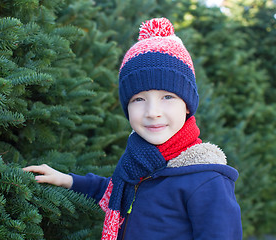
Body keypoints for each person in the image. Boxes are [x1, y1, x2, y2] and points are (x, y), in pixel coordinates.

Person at [23, 17, 242, 240]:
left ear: (187, 106)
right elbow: (115, 190)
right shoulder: (139, 164)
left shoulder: (207, 181)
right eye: (138, 99)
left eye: (167, 96)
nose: (152, 111)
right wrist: (68, 180)